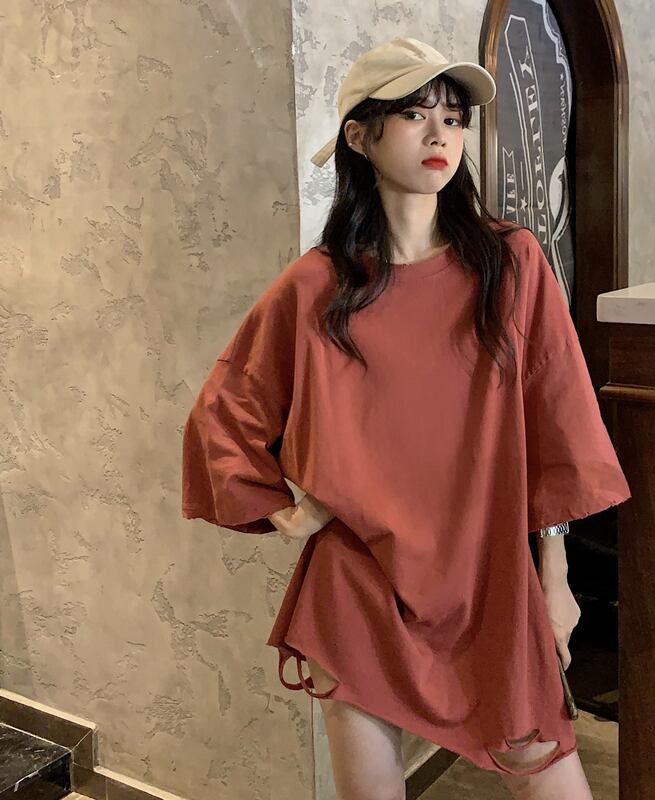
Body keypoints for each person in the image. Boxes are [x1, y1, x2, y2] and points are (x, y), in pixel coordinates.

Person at [181, 36, 631, 800]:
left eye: (453, 119)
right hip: (359, 590)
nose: (439, 135)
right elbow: (223, 416)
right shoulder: (316, 287)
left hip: (489, 582)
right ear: (360, 136)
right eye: (416, 114)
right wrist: (291, 511)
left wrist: (555, 579)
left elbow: (557, 430)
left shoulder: (512, 264)